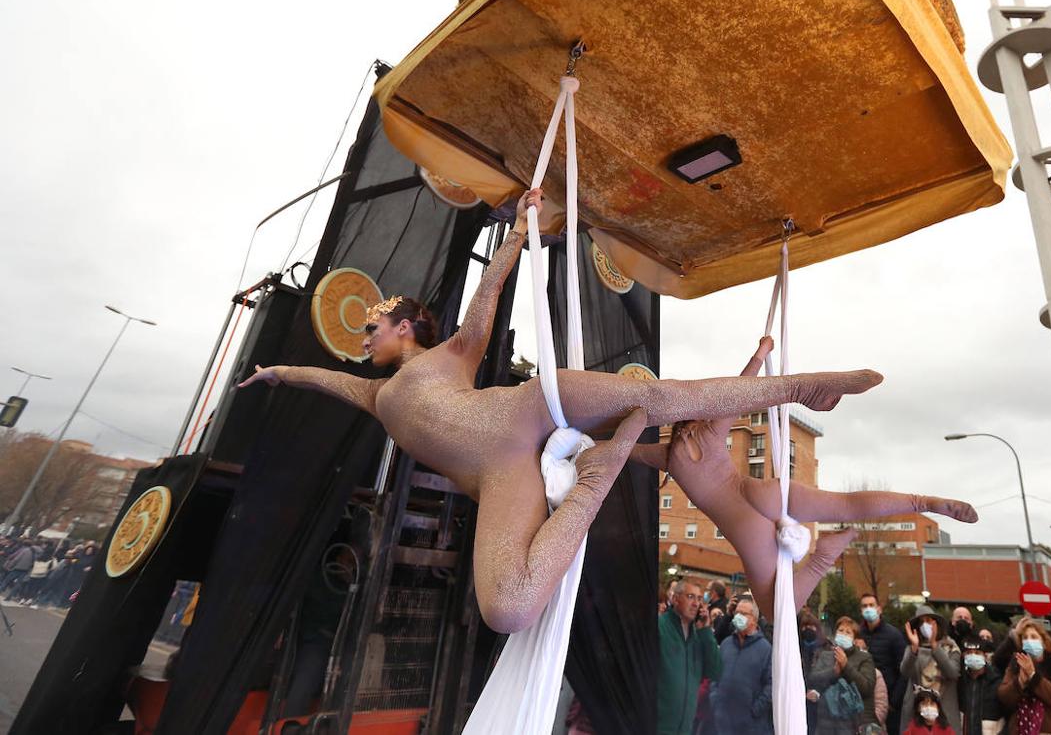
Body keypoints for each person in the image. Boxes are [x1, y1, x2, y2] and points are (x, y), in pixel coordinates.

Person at [241, 190, 885, 635]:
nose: (364, 336)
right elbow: (325, 379)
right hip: (500, 477)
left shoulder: (454, 354)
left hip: (524, 412)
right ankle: (597, 476)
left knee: (659, 397)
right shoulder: (376, 395)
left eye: (373, 324)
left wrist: (521, 230)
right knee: (507, 609)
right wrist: (277, 372)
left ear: (407, 325)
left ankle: (801, 386)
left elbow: (488, 293)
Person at [632, 338, 974, 625]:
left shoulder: (666, 455)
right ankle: (923, 502)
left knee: (774, 609)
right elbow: (742, 388)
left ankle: (824, 557)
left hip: (740, 520)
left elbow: (629, 451)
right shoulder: (713, 426)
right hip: (761, 491)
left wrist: (590, 446)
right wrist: (761, 352)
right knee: (846, 503)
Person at [658, 580, 722, 735]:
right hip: (657, 725)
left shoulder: (699, 636)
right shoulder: (660, 628)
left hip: (685, 728)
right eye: (690, 597)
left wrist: (706, 630)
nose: (696, 603)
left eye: (699, 599)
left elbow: (715, 671)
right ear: (675, 599)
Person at [997, 617, 1051, 735]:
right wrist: (1019, 682)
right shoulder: (1014, 668)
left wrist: (1034, 677)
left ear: (1044, 642)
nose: (1029, 641)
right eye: (1025, 638)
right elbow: (1003, 697)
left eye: (1034, 637)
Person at [712, 596, 773, 735]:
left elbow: (770, 685)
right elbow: (715, 674)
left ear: (754, 619)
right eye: (737, 612)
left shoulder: (766, 649)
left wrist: (754, 711)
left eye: (743, 613)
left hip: (750, 726)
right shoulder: (726, 644)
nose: (738, 616)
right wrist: (715, 700)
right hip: (722, 721)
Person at [899, 606, 962, 733]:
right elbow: (905, 672)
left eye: (928, 621)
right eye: (921, 622)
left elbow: (953, 673)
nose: (925, 625)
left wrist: (935, 647)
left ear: (936, 624)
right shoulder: (912, 649)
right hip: (917, 717)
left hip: (945, 714)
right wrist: (914, 649)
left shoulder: (950, 647)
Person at [860, 594, 909, 719]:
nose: (868, 609)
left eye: (871, 605)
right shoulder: (858, 634)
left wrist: (893, 702)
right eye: (864, 606)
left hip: (889, 702)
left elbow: (904, 671)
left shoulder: (893, 635)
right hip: (864, 702)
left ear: (879, 609)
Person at [959, 638, 1004, 735]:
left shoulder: (996, 682)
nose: (973, 656)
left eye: (977, 652)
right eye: (969, 652)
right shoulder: (960, 682)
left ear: (985, 655)